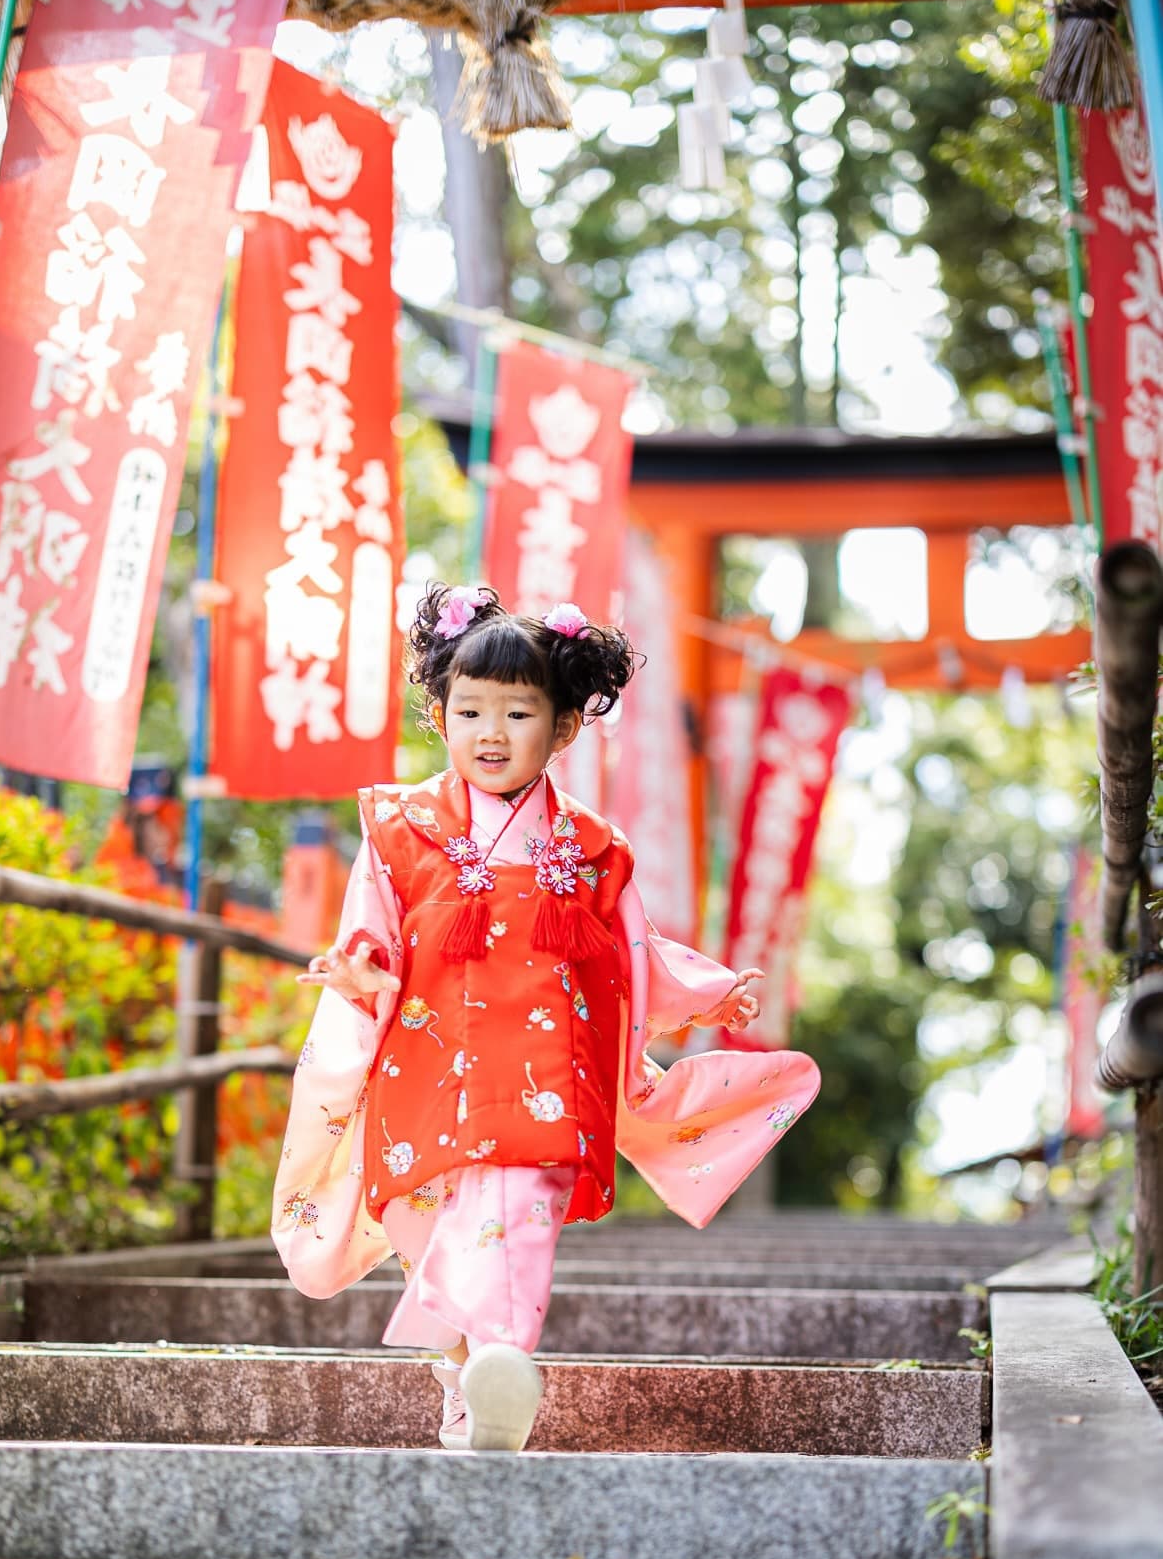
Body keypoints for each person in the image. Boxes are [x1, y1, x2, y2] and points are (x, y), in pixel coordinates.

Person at [272, 583, 821, 1453]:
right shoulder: (399, 829)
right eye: (470, 710)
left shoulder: (594, 848)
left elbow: (635, 952)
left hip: (539, 1087)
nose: (491, 733)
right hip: (423, 1080)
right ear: (438, 715)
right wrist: (358, 971)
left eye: (518, 713)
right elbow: (369, 936)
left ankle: (502, 1362)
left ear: (562, 728)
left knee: (515, 1223)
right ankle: (466, 1385)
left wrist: (708, 990)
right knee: (427, 1231)